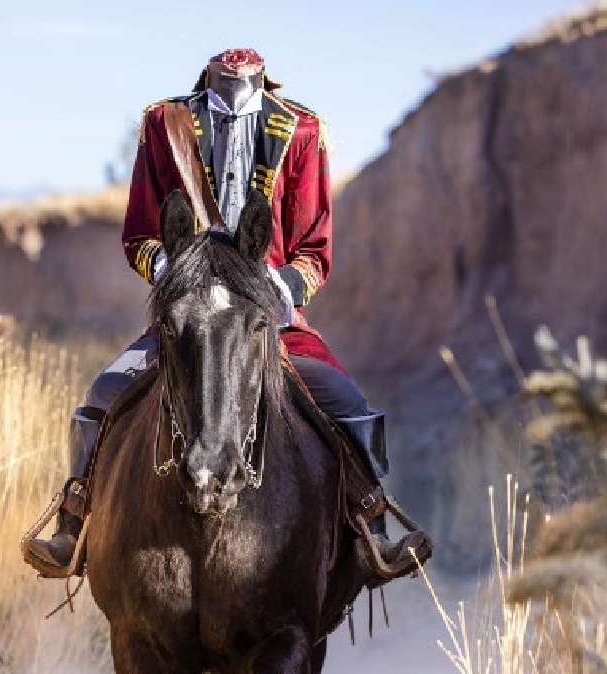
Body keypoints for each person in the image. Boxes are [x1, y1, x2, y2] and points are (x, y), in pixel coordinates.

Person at [26, 48, 398, 574]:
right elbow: (140, 233)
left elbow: (314, 252)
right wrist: (174, 272)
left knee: (344, 399)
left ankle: (371, 526)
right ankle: (74, 522)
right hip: (189, 309)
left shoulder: (302, 129)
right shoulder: (165, 122)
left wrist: (272, 285)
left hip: (266, 310)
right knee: (105, 391)